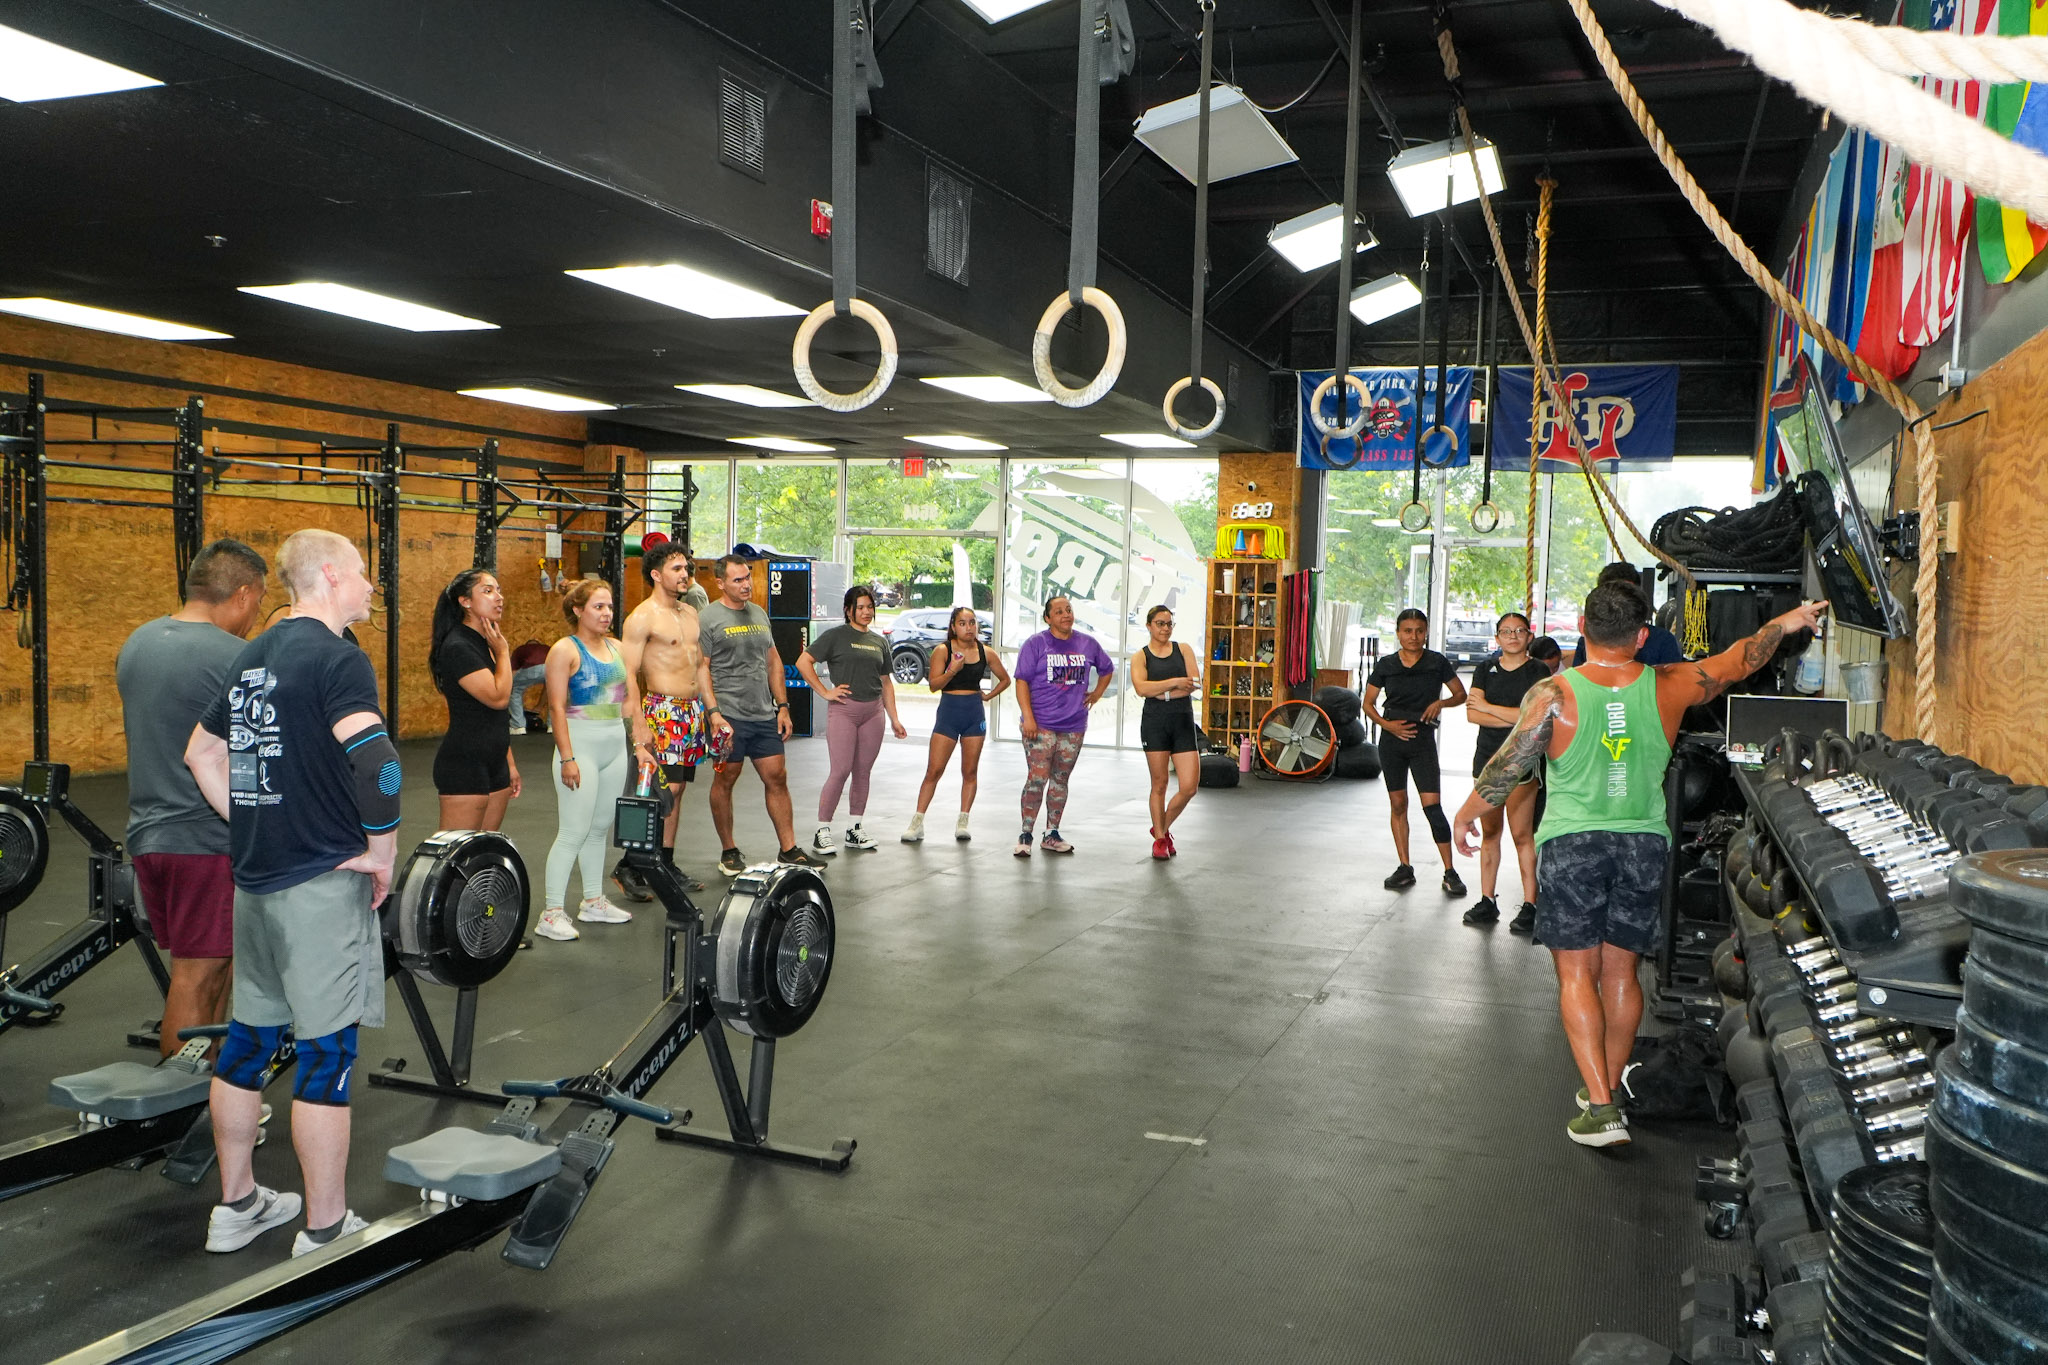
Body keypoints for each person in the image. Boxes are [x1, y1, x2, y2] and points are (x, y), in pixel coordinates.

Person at [1451, 585, 1829, 1148]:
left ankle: (1601, 1107)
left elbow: (1508, 766)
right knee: (1621, 974)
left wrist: (1466, 814)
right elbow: (1742, 659)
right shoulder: (1672, 683)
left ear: (1583, 627)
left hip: (1574, 847)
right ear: (1643, 635)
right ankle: (1603, 1091)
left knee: (1577, 975)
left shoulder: (1552, 693)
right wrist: (1789, 620)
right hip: (1642, 845)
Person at [185, 528, 400, 1256]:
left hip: (255, 884)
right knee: (326, 1055)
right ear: (331, 575)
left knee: (247, 1045)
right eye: (363, 572)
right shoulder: (339, 657)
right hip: (318, 888)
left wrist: (256, 821)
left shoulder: (253, 654)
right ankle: (326, 1229)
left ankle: (237, 1204)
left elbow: (202, 753)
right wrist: (381, 855)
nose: (370, 585)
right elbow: (379, 765)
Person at [116, 539, 268, 1056]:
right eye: (258, 602)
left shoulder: (139, 642)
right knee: (197, 977)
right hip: (204, 839)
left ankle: (209, 1084)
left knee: (216, 965)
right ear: (243, 594)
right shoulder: (234, 656)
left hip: (151, 835)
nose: (255, 616)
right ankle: (178, 1096)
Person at [699, 555, 827, 875]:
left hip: (763, 714)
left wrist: (782, 706)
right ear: (720, 583)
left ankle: (789, 850)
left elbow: (773, 662)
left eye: (747, 578)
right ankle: (729, 851)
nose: (746, 585)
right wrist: (713, 713)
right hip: (728, 715)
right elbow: (702, 669)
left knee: (777, 777)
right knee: (726, 779)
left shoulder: (758, 613)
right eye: (738, 580)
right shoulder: (708, 618)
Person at [534, 579, 635, 942]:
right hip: (580, 745)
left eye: (609, 607)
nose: (607, 613)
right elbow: (556, 708)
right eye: (598, 607)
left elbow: (630, 698)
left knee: (599, 827)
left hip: (614, 744)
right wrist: (568, 758)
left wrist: (639, 743)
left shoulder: (618, 648)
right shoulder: (565, 650)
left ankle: (593, 901)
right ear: (578, 610)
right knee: (573, 831)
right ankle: (551, 914)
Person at [617, 542, 715, 893]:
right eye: (677, 569)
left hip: (690, 712)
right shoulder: (642, 617)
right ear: (656, 575)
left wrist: (713, 712)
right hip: (661, 710)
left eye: (686, 568)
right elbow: (628, 674)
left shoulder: (690, 613)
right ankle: (630, 863)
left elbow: (700, 667)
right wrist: (637, 722)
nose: (685, 574)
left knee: (678, 789)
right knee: (662, 790)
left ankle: (664, 862)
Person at [1363, 608, 1468, 895]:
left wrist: (1441, 703)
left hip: (1422, 741)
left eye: (1419, 631)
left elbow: (1461, 694)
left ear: (1426, 632)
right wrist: (1387, 725)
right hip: (1392, 742)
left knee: (1432, 807)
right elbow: (1368, 704)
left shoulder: (1437, 662)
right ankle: (1405, 867)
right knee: (1398, 804)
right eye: (1408, 631)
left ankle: (1450, 872)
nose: (1413, 636)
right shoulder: (1386, 664)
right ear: (1398, 633)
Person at [797, 586, 907, 854]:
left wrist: (894, 718)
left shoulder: (879, 641)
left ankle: (854, 829)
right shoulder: (836, 636)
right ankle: (822, 830)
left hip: (873, 713)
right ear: (848, 611)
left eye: (870, 607)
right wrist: (825, 692)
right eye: (860, 607)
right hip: (844, 711)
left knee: (862, 771)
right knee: (840, 770)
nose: (866, 612)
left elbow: (886, 682)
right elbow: (803, 662)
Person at [1460, 613, 1547, 931]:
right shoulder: (1485, 668)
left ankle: (1530, 904)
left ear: (1529, 636)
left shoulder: (1538, 670)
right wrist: (1514, 716)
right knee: (1491, 833)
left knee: (1522, 835)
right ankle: (1487, 900)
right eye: (1506, 631)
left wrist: (1489, 707)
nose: (1512, 636)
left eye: (1519, 631)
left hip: (1522, 761)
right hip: (1486, 759)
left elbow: (1535, 717)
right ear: (1497, 637)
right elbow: (1472, 715)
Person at [1012, 595, 1115, 857]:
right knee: (1037, 779)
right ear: (1048, 618)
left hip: (1073, 725)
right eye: (1058, 611)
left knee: (1060, 779)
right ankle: (1026, 834)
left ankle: (1052, 833)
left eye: (1068, 610)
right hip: (1041, 725)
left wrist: (1096, 694)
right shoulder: (1036, 644)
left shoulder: (1087, 643)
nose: (1066, 614)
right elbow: (1021, 682)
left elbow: (1107, 668)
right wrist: (1028, 717)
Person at [904, 606, 1009, 844]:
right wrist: (952, 670)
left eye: (972, 623)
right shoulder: (943, 650)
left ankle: (963, 820)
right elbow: (934, 685)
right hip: (949, 715)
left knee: (970, 771)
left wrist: (988, 696)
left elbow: (1005, 679)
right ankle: (917, 822)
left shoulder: (985, 652)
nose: (969, 628)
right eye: (963, 623)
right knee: (934, 770)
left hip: (974, 714)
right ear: (953, 626)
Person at [427, 569, 520, 831]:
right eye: (488, 591)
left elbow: (495, 717)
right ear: (465, 601)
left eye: (499, 590)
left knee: (485, 849)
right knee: (458, 851)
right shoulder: (458, 646)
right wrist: (503, 653)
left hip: (495, 761)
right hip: (465, 763)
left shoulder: (487, 643)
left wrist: (510, 764)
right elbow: (498, 698)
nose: (499, 597)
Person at [1130, 604, 1202, 861]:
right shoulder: (1140, 656)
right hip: (1155, 723)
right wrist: (1174, 682)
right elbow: (1141, 689)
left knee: (1189, 786)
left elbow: (1194, 683)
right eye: (1160, 623)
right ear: (1149, 626)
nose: (1165, 628)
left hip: (1182, 721)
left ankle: (1161, 826)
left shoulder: (1184, 649)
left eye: (1169, 624)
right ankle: (1160, 840)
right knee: (1159, 784)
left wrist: (1162, 692)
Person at [1570, 563, 1686, 666]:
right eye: (1611, 596)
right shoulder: (1587, 641)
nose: (1618, 603)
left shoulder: (1663, 641)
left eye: (1626, 597)